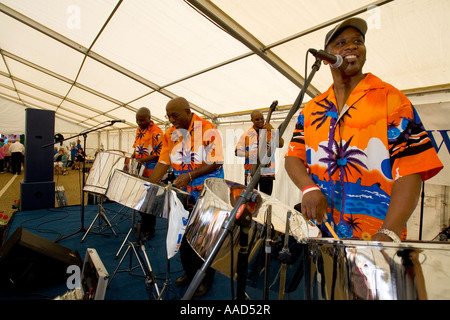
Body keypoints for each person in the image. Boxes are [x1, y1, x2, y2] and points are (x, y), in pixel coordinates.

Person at [285, 18, 443, 242]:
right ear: (327, 57)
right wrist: (308, 188)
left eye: (358, 41)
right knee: (326, 278)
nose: (351, 46)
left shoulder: (391, 100)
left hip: (375, 239)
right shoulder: (312, 109)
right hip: (322, 234)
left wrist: (390, 231)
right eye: (341, 43)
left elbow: (411, 169)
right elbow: (293, 156)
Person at [148, 96, 224, 298]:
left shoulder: (208, 129)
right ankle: (190, 272)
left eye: (175, 115)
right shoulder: (170, 134)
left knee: (203, 238)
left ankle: (205, 277)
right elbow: (163, 162)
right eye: (169, 116)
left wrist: (189, 175)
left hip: (207, 192)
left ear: (188, 111)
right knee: (184, 233)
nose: (172, 120)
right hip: (184, 192)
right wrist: (148, 184)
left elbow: (216, 161)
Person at [127, 107, 163, 240]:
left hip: (152, 172)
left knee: (149, 202)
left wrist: (140, 160)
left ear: (149, 118)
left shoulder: (157, 133)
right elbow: (137, 148)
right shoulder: (139, 129)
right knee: (138, 198)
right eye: (137, 120)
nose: (139, 122)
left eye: (142, 120)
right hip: (140, 169)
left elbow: (159, 155)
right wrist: (131, 158)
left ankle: (150, 230)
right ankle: (143, 222)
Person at [235, 110, 284, 195]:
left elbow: (281, 144)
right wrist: (247, 154)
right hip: (250, 172)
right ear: (252, 120)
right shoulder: (246, 134)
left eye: (262, 118)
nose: (260, 121)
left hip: (267, 172)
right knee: (250, 198)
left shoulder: (270, 132)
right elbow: (237, 151)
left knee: (266, 198)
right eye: (257, 119)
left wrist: (272, 129)